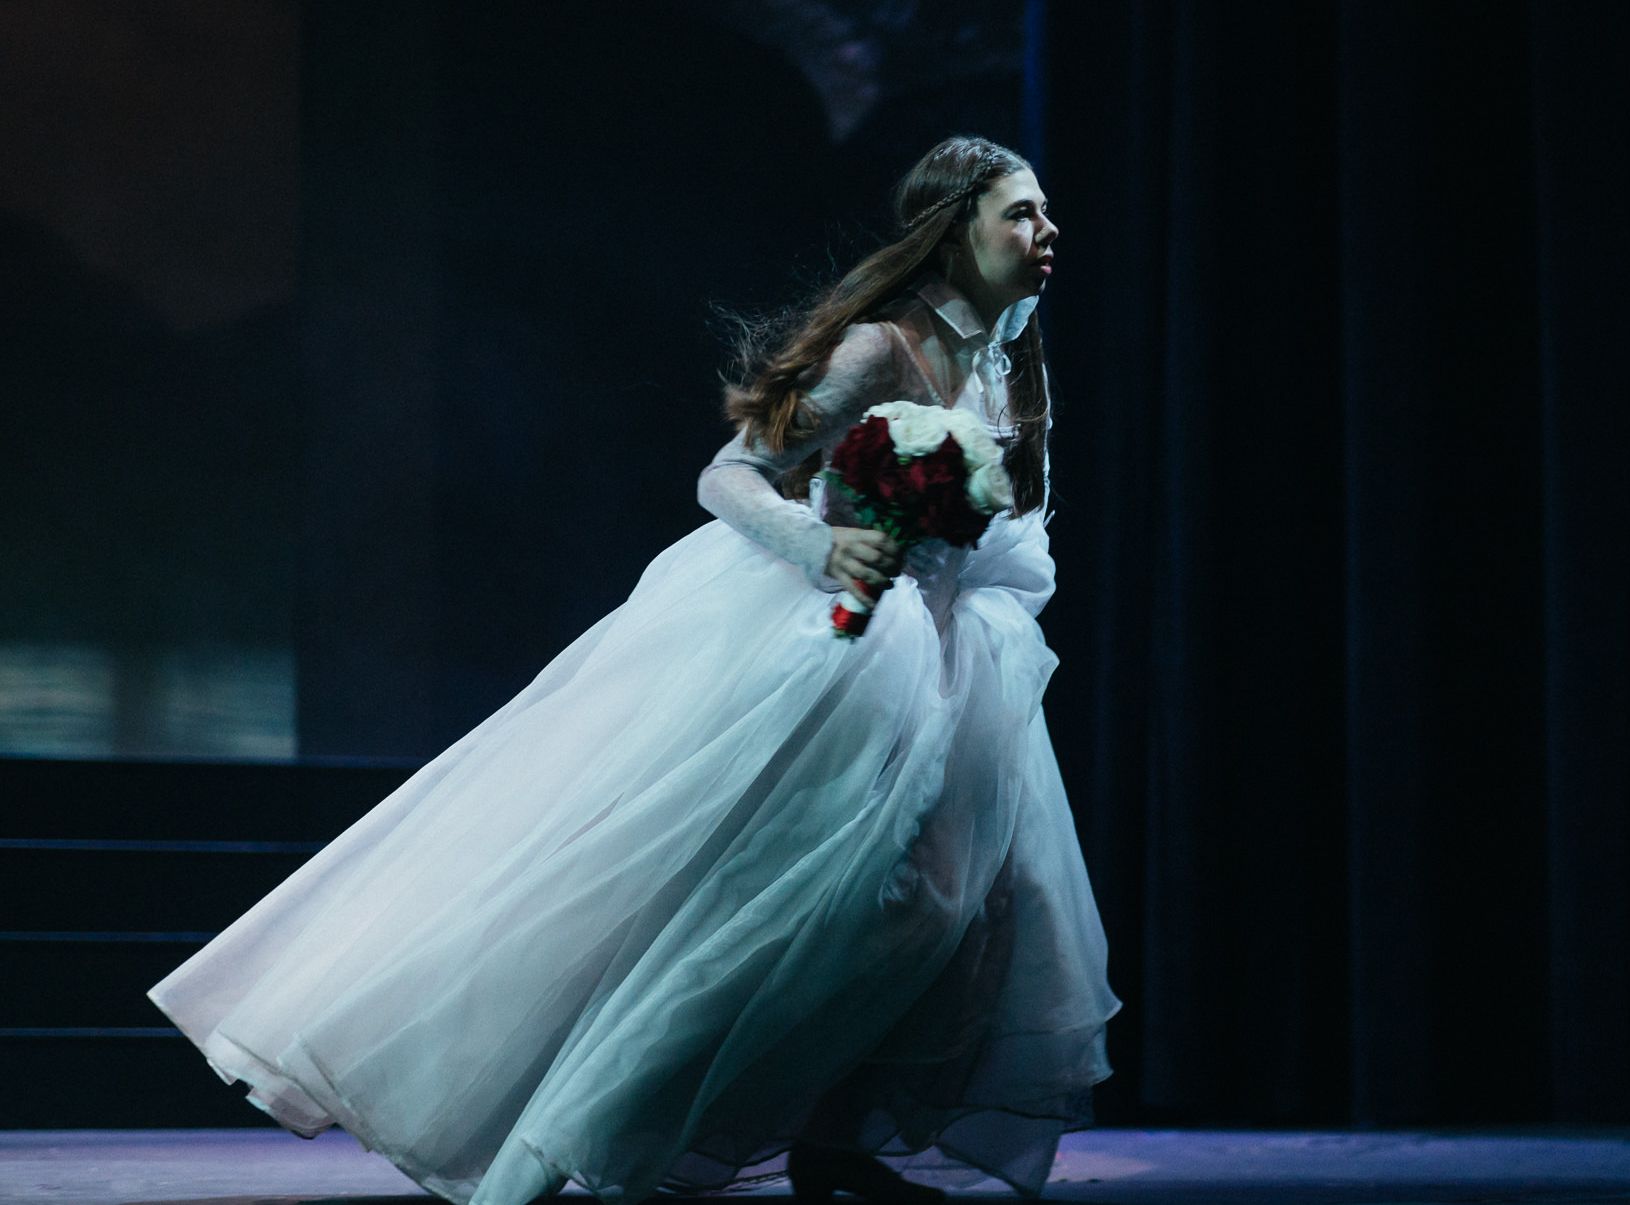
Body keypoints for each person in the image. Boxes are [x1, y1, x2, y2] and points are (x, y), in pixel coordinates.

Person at [146, 134, 1120, 1205]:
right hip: (848, 652)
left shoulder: (1006, 365)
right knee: (791, 906)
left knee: (948, 912)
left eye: (1042, 211)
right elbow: (731, 473)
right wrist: (819, 542)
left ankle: (832, 1136)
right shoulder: (879, 349)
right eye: (1020, 212)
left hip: (952, 659)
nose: (1046, 230)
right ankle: (553, 1147)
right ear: (952, 230)